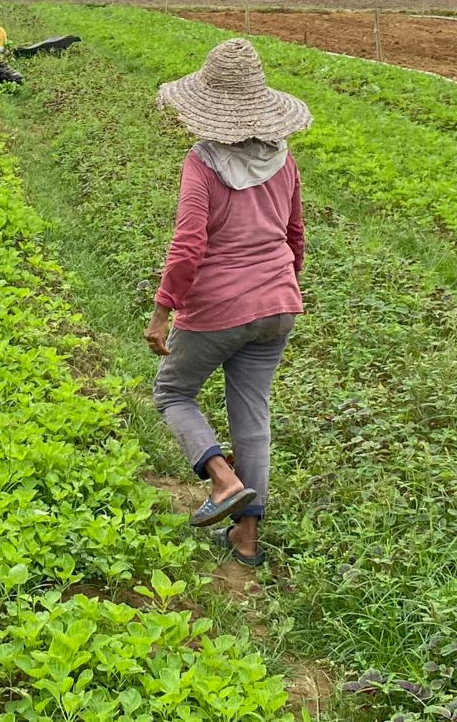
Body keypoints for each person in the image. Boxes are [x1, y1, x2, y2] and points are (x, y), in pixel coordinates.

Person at [145, 37, 311, 568]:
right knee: (252, 416)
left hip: (218, 307)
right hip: (278, 303)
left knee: (173, 391)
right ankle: (246, 540)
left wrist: (163, 308)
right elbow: (295, 234)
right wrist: (277, 288)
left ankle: (220, 480)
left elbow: (189, 242)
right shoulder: (283, 160)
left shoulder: (202, 163)